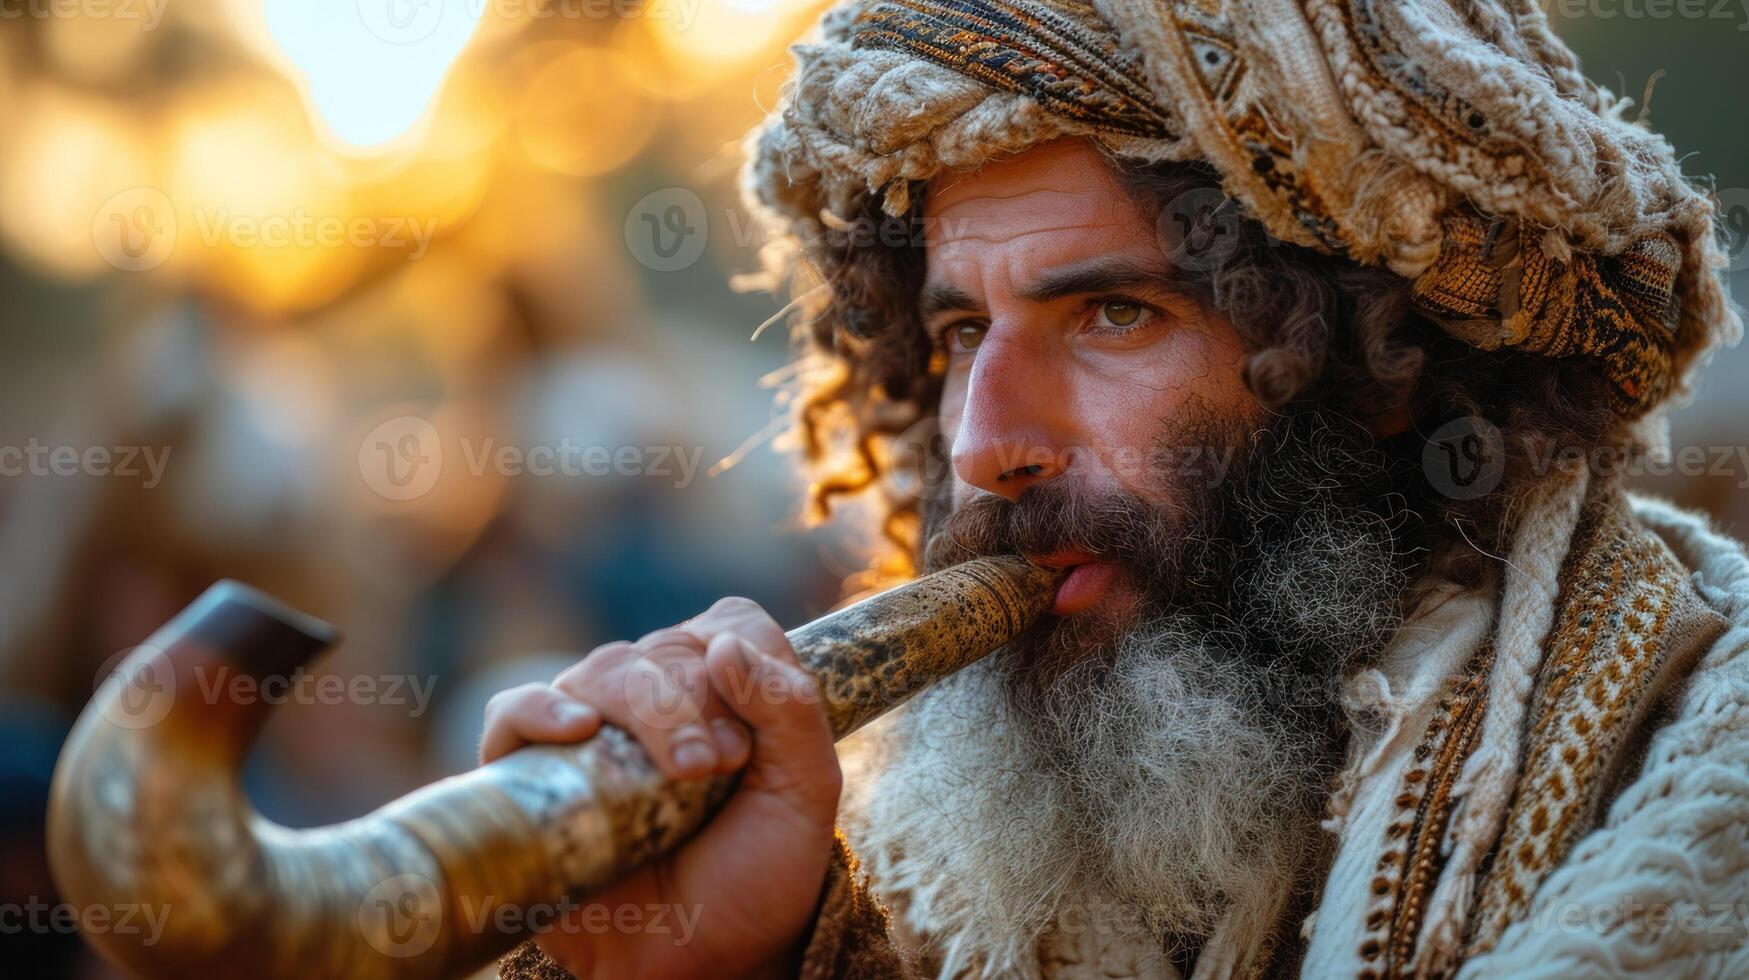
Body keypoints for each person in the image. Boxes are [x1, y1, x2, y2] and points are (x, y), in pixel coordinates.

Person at [491, 1, 1747, 976]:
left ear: (1381, 361)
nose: (988, 444)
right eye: (959, 335)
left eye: (1112, 313)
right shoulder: (918, 881)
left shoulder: (1703, 776)